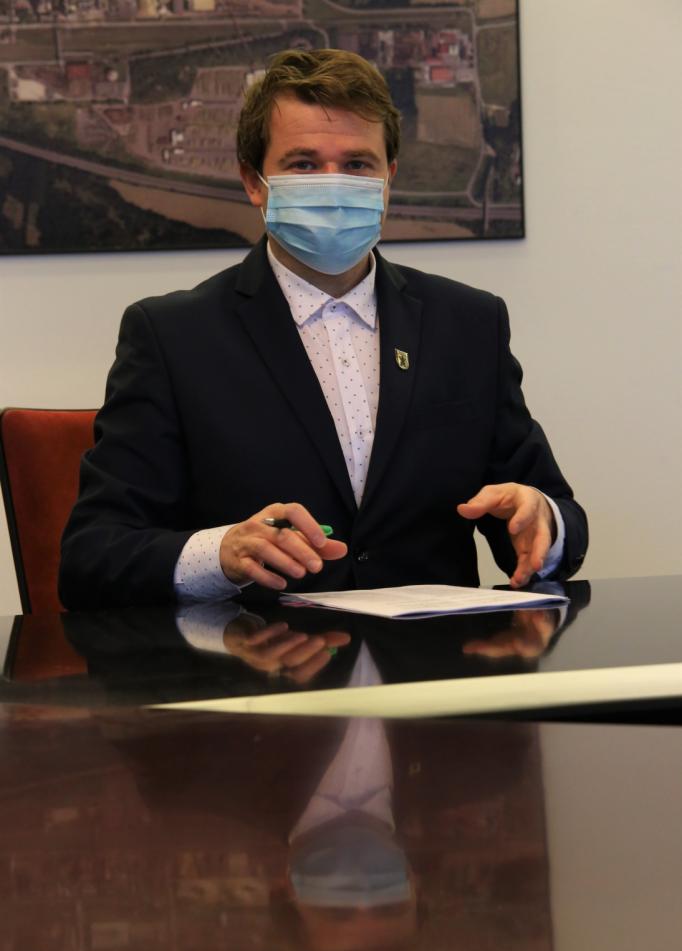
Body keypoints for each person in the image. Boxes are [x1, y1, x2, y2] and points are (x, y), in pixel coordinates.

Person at [59, 49, 588, 611]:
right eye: (304, 165)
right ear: (254, 182)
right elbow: (93, 554)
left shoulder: (469, 324)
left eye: (357, 164)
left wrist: (545, 522)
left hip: (433, 656)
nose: (334, 186)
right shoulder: (172, 337)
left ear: (388, 178)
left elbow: (553, 514)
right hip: (257, 656)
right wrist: (221, 553)